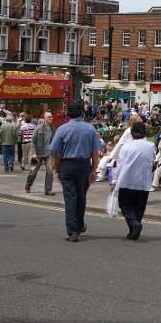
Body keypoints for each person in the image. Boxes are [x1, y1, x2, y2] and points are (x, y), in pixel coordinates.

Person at [50, 102, 100, 242]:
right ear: (82, 113)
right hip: (84, 165)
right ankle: (79, 225)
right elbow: (95, 153)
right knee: (81, 196)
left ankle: (73, 230)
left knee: (70, 198)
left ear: (68, 114)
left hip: (67, 165)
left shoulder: (62, 129)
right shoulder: (90, 129)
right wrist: (94, 170)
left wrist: (58, 169)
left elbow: (56, 152)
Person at [111, 122, 156, 240]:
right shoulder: (151, 146)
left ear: (131, 133)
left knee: (125, 205)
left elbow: (119, 165)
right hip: (144, 182)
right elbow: (152, 162)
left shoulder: (126, 147)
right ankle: (133, 230)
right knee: (139, 207)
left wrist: (114, 180)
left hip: (127, 181)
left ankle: (134, 224)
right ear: (144, 133)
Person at [26, 112, 56, 195]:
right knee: (33, 171)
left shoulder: (53, 129)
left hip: (48, 153)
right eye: (49, 117)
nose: (51, 118)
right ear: (45, 118)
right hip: (37, 153)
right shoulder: (38, 128)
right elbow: (32, 141)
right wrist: (33, 153)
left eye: (51, 117)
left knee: (50, 171)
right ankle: (28, 185)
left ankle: (48, 190)